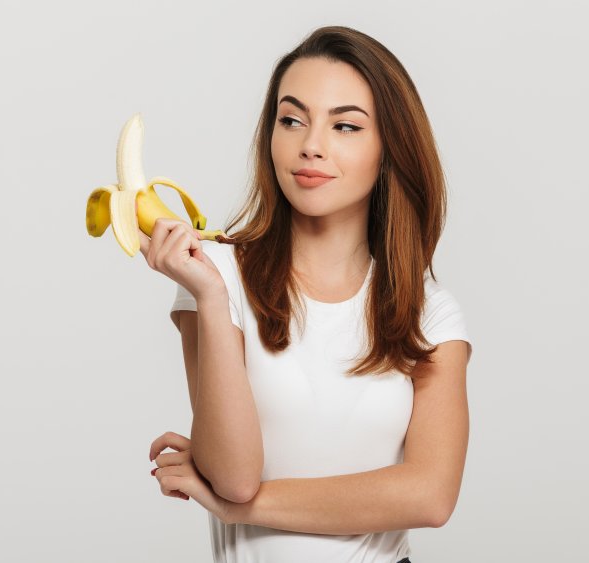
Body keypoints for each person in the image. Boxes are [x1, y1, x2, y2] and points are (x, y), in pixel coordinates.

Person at [139, 25, 472, 563]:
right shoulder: (214, 276)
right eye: (291, 120)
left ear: (390, 148)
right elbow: (234, 475)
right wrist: (210, 297)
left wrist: (238, 511)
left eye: (345, 126)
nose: (311, 146)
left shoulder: (428, 313)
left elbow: (430, 496)